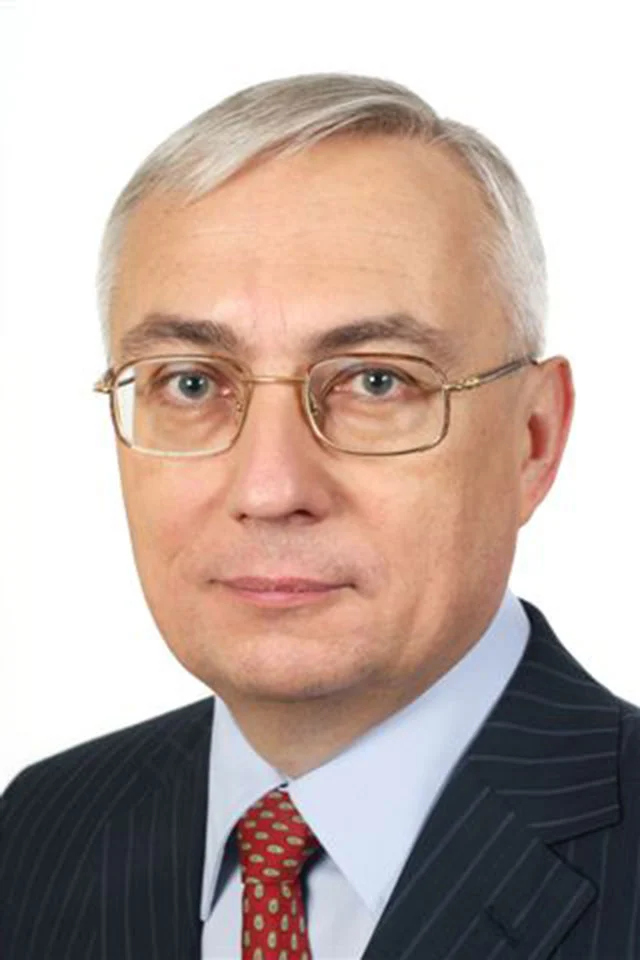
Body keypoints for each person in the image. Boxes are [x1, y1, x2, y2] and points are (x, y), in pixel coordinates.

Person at [1, 73, 638, 960]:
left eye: (376, 381)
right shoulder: (38, 830)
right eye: (191, 383)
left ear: (533, 440)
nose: (270, 488)